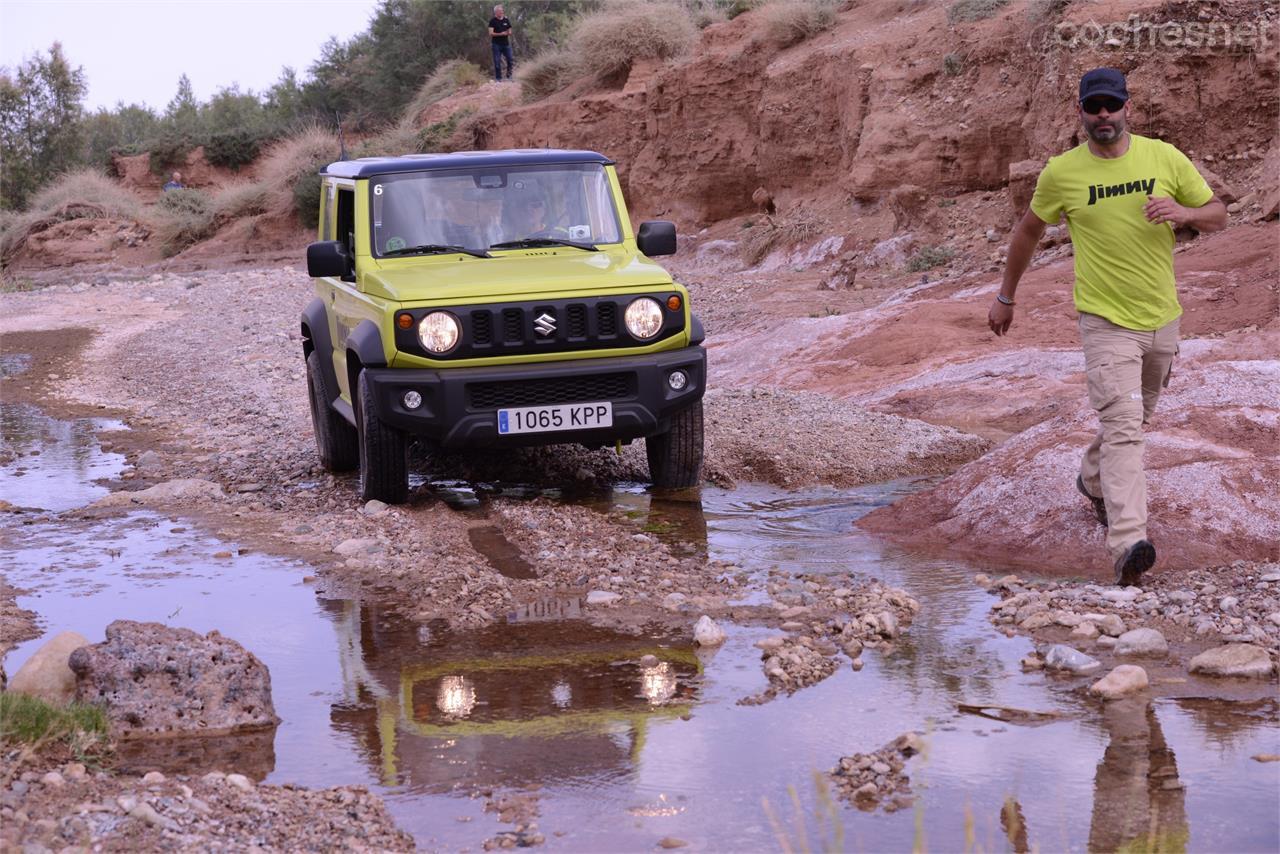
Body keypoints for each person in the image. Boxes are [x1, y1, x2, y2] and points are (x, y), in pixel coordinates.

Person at [988, 67, 1227, 585]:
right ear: (1080, 111)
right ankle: (1128, 544)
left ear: (1126, 108)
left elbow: (1219, 215)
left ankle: (1092, 480)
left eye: (1110, 106)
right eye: (1093, 107)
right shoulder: (1062, 173)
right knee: (1124, 428)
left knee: (1135, 421)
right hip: (1104, 321)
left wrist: (1183, 212)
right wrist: (1006, 296)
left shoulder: (1163, 157)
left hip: (1163, 317)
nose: (1103, 116)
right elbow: (1029, 230)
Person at [488, 5, 514, 82]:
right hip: (496, 44)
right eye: (500, 11)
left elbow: (510, 31)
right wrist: (500, 34)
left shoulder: (506, 20)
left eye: (502, 11)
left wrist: (507, 33)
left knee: (510, 59)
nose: (502, 12)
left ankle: (509, 76)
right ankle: (498, 79)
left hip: (506, 44)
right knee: (497, 61)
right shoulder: (492, 21)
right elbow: (491, 33)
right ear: (496, 12)